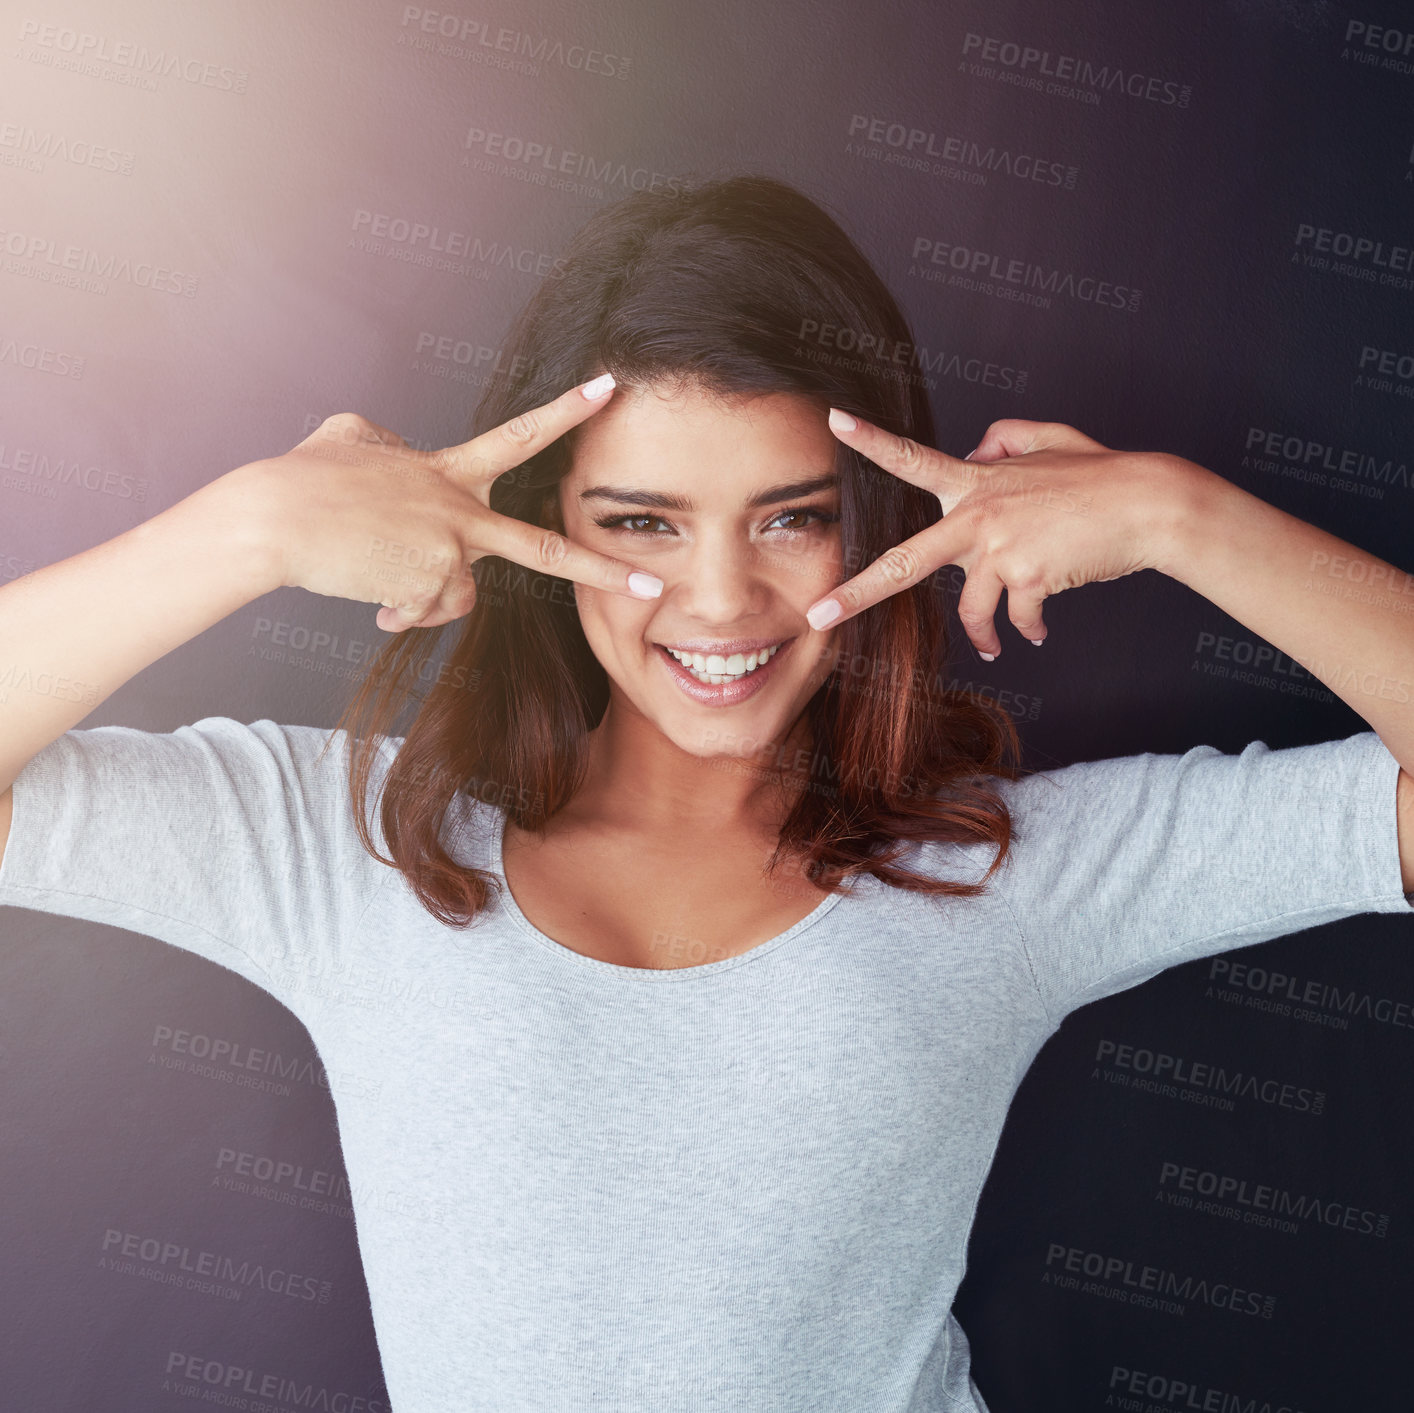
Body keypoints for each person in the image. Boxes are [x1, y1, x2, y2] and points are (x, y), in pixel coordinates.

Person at [1, 173, 1411, 1413]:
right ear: (541, 521)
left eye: (789, 517)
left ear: (870, 519)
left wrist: (1180, 515)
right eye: (642, 524)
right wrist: (242, 531)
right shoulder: (343, 844)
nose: (723, 599)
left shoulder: (1001, 872)